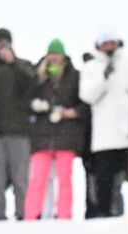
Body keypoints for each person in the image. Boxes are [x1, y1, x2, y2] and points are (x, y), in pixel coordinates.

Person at [79, 27, 128, 218]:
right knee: (105, 179)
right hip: (105, 135)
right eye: (105, 44)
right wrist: (104, 77)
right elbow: (87, 95)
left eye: (112, 43)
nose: (109, 47)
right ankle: (105, 213)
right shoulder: (92, 68)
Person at [24, 40, 85, 220]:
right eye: (51, 53)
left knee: (65, 180)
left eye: (57, 54)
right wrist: (35, 104)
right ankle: (31, 215)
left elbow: (84, 104)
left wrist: (70, 113)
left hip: (66, 135)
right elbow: (27, 98)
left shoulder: (74, 76)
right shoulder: (39, 75)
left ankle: (64, 215)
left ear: (63, 55)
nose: (54, 57)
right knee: (37, 179)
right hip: (42, 135)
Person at [0, 28, 34, 220]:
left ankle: (23, 214)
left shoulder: (24, 65)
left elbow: (31, 85)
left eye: (6, 41)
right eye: (0, 42)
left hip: (19, 132)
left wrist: (14, 63)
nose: (3, 45)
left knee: (21, 180)